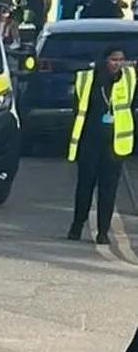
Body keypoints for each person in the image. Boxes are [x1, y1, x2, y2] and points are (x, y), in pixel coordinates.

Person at [67, 46, 137, 245]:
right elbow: (77, 110)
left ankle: (103, 232)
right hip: (90, 141)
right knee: (85, 187)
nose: (118, 64)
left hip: (115, 144)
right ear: (104, 60)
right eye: (114, 59)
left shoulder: (129, 78)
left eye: (121, 60)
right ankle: (77, 225)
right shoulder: (88, 79)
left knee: (109, 190)